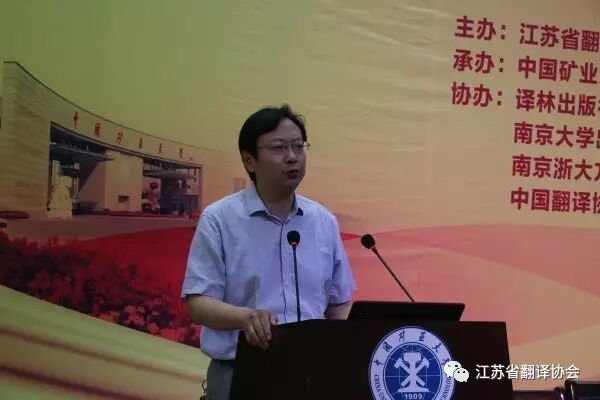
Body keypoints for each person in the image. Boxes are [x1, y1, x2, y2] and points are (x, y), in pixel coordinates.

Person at [181, 104, 356, 400]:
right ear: (249, 160)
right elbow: (198, 303)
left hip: (311, 374)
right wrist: (245, 318)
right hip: (241, 372)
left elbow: (338, 305)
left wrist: (365, 336)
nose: (292, 157)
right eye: (279, 148)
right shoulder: (219, 219)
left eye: (298, 146)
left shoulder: (322, 221)